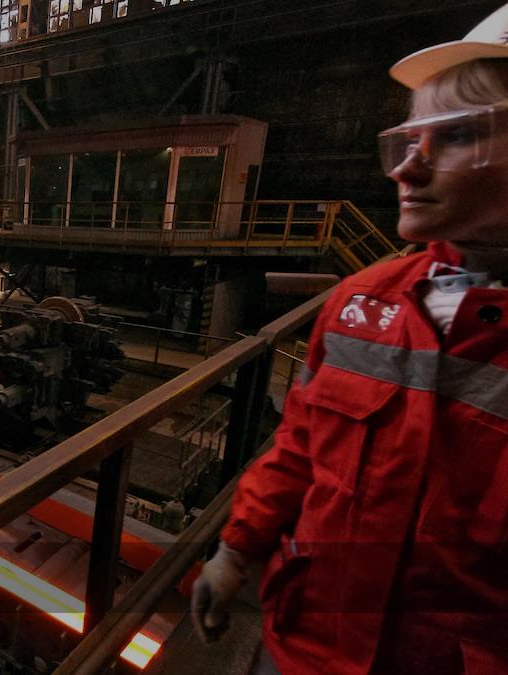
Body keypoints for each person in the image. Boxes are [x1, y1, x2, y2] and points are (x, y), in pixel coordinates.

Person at [190, 5, 508, 674]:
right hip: (303, 647)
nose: (406, 171)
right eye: (408, 140)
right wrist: (236, 550)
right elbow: (300, 444)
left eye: (455, 136)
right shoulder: (362, 303)